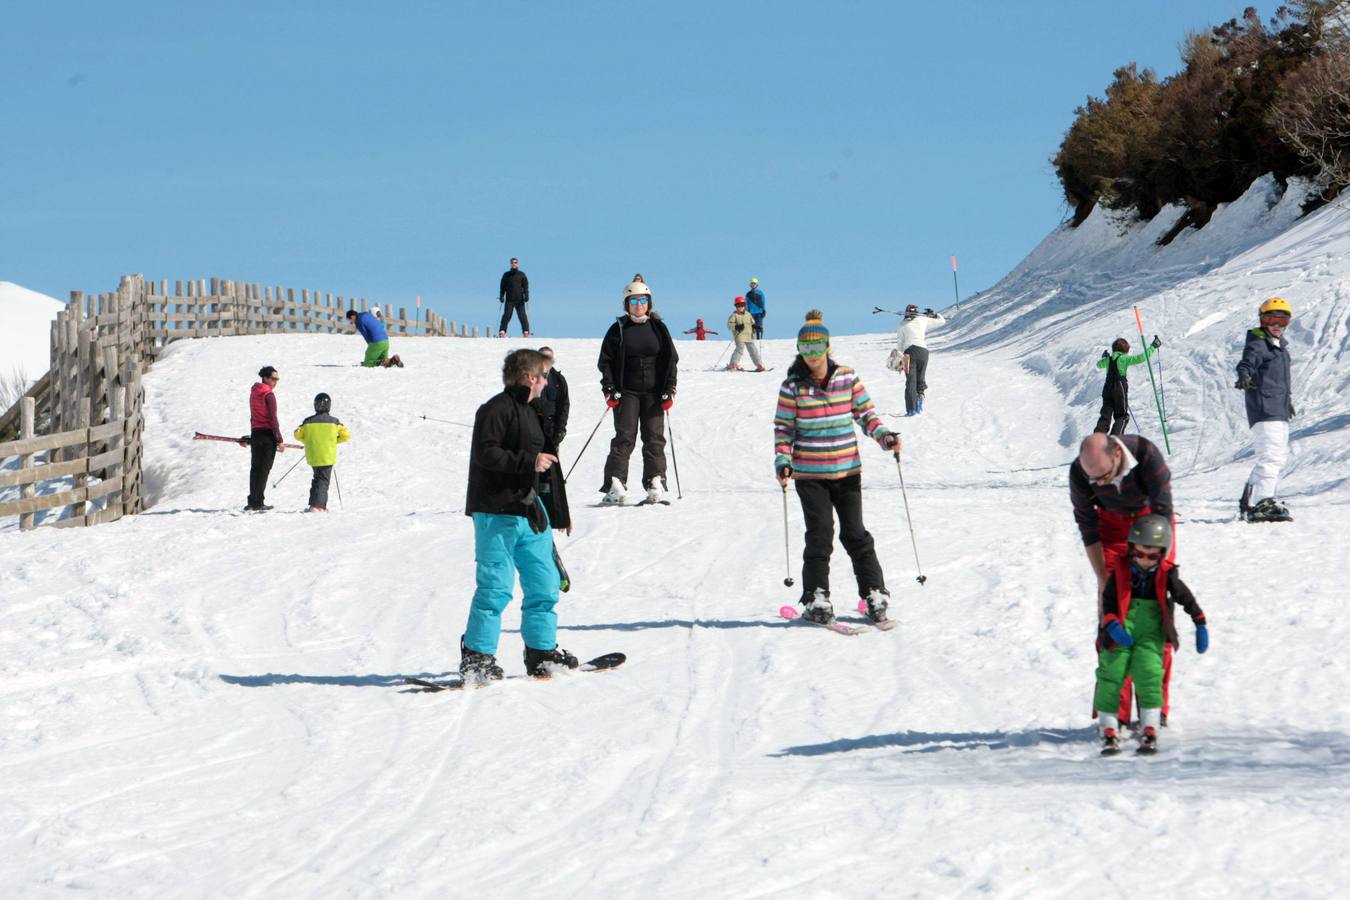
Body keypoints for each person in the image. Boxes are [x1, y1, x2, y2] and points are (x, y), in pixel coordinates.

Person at [774, 310, 900, 625]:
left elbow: (866, 414)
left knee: (855, 534)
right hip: (810, 474)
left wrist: (883, 436)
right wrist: (782, 460)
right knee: (820, 535)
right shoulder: (792, 386)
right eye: (806, 349)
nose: (812, 355)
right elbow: (783, 429)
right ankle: (817, 598)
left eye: (817, 348)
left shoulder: (847, 377)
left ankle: (874, 594)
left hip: (847, 471)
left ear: (828, 348)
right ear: (799, 350)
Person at [460, 349, 578, 681]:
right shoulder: (495, 409)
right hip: (496, 511)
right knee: (495, 587)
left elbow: (548, 464)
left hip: (530, 512)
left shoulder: (533, 412)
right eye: (543, 375)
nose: (546, 381)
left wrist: (559, 511)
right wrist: (528, 462)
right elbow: (487, 453)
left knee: (545, 583)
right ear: (530, 377)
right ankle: (477, 657)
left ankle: (541, 653)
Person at [1070, 432, 1176, 725]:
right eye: (1094, 480)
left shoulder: (1146, 455)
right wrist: (1104, 580)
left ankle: (1154, 707)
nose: (1099, 484)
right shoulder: (1080, 471)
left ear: (1117, 453)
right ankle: (1113, 710)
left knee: (1153, 616)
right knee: (1113, 617)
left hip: (1152, 525)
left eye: (1104, 476)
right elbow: (1087, 527)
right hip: (1111, 530)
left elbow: (1163, 513)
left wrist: (1157, 573)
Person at [1095, 515, 1208, 755]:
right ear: (1131, 549)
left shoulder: (1167, 574)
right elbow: (1109, 600)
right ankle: (1109, 726)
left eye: (1153, 555)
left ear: (1163, 553)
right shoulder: (1121, 570)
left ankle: (1150, 725)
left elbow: (1185, 598)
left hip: (1151, 634)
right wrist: (1112, 623)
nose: (1145, 560)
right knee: (1111, 673)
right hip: (1121, 629)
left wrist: (1199, 622)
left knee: (1149, 673)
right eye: (1140, 553)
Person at [597, 281, 679, 505]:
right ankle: (616, 484)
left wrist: (670, 389)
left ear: (649, 303)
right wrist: (610, 389)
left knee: (654, 438)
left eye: (643, 300)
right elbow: (606, 362)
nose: (639, 305)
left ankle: (655, 481)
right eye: (634, 301)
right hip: (627, 392)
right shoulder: (618, 329)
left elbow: (671, 360)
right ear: (627, 304)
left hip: (654, 393)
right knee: (625, 437)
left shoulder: (658, 328)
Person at [1236, 297, 1295, 523]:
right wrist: (1244, 375)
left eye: (1282, 321)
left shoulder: (1280, 348)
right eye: (1271, 319)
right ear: (1262, 321)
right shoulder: (1259, 343)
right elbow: (1247, 363)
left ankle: (1250, 501)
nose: (1277, 325)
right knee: (1270, 456)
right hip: (1264, 407)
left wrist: (1286, 401)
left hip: (1278, 408)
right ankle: (1263, 501)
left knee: (1276, 458)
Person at [293, 392, 350, 512]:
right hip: (327, 456)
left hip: (313, 456)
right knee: (323, 481)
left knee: (317, 479)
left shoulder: (308, 421)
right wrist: (333, 441)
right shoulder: (334, 422)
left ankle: (314, 504)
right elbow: (346, 435)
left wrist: (308, 441)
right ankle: (318, 507)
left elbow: (297, 434)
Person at [1094, 336, 1160, 435]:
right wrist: (1153, 347)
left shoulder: (1109, 359)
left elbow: (1098, 365)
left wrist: (1105, 358)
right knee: (1122, 416)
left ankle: (1098, 437)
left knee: (1105, 414)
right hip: (1119, 388)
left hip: (1107, 389)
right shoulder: (1123, 358)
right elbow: (1141, 358)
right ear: (1125, 351)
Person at [897, 304, 946, 416]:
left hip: (908, 353)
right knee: (920, 378)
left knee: (911, 382)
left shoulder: (902, 325)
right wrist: (934, 315)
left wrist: (899, 358)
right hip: (923, 352)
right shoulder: (923, 319)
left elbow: (900, 344)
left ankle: (911, 410)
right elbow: (941, 321)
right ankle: (920, 396)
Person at [247, 366, 284, 511]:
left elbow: (253, 415)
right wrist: (279, 439)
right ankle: (258, 502)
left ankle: (252, 500)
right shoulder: (268, 395)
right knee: (264, 469)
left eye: (277, 379)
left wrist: (251, 434)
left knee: (255, 468)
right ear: (266, 378)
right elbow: (272, 418)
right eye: (274, 379)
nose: (276, 382)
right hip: (267, 435)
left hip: (256, 433)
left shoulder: (254, 393)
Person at [536, 347, 570, 449]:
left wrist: (561, 429)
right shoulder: (529, 378)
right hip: (533, 429)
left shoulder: (559, 379)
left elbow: (564, 405)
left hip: (552, 430)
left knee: (551, 463)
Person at [726, 296, 765, 371]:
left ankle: (759, 364)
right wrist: (736, 327)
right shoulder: (734, 315)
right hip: (739, 336)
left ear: (744, 305)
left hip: (749, 336)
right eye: (738, 305)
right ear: (735, 306)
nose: (740, 307)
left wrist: (756, 326)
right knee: (739, 349)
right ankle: (733, 364)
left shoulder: (748, 314)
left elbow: (752, 323)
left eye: (742, 305)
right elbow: (729, 325)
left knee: (753, 350)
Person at [498, 257, 530, 337]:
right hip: (509, 299)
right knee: (507, 315)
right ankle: (502, 331)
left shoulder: (522, 274)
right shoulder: (506, 275)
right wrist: (501, 296)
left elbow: (525, 286)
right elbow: (502, 287)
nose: (514, 264)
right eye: (512, 262)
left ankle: (526, 331)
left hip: (519, 299)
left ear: (517, 264)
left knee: (522, 316)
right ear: (510, 264)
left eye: (515, 262)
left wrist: (526, 296)